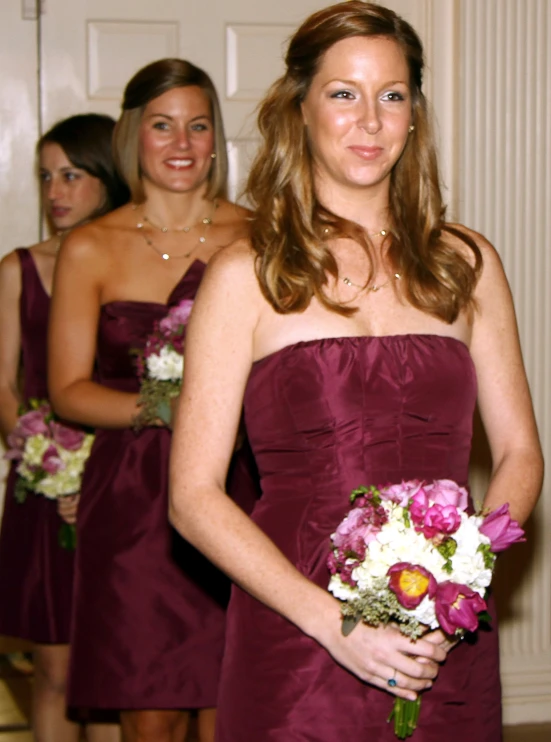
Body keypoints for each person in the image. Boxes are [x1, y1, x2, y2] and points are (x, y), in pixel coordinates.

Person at [168, 2, 544, 740]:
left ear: (414, 115)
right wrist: (333, 622)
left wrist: (460, 578)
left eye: (392, 95)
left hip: (444, 626)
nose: (369, 121)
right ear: (299, 109)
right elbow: (191, 495)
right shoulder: (247, 273)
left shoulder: (466, 263)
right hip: (296, 626)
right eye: (343, 94)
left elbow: (519, 454)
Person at [48, 59, 251, 742]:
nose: (182, 144)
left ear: (215, 140)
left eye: (197, 126)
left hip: (236, 489)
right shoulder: (90, 246)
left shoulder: (256, 236)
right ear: (134, 135)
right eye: (163, 126)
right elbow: (68, 390)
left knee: (234, 697)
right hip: (133, 505)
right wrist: (162, 406)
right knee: (149, 707)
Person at [0, 113, 127, 742]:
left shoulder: (128, 265)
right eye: (46, 176)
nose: (55, 191)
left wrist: (102, 470)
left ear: (107, 176)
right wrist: (52, 466)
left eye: (71, 175)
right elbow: (4, 385)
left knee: (110, 674)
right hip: (44, 492)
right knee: (52, 670)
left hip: (124, 485)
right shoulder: (17, 268)